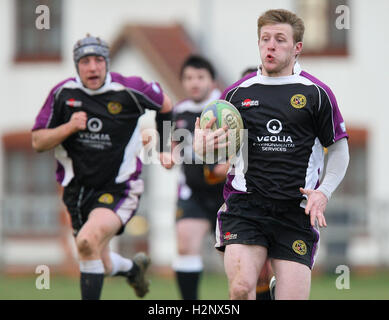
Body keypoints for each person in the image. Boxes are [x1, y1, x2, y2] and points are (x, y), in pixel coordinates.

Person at [194, 9, 349, 300]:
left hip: (295, 211)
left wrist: (323, 192)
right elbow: (207, 149)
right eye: (265, 39)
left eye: (280, 39)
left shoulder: (316, 94)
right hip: (245, 208)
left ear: (297, 47)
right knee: (241, 289)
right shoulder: (235, 95)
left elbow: (340, 149)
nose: (271, 45)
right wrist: (202, 146)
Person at [31, 34, 173, 300]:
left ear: (107, 63)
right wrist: (69, 127)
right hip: (77, 192)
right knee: (99, 260)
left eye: (98, 60)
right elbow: (38, 141)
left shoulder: (129, 89)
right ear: (77, 66)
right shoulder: (63, 94)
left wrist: (165, 148)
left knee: (86, 242)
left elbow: (166, 105)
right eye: (85, 61)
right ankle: (132, 269)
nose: (93, 67)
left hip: (119, 188)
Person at [171, 55, 229, 300]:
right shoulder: (179, 111)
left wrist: (222, 168)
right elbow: (174, 150)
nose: (194, 83)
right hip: (193, 193)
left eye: (200, 77)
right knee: (185, 245)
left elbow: (242, 150)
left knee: (235, 258)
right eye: (189, 78)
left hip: (227, 194)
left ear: (212, 81)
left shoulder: (225, 108)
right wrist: (166, 155)